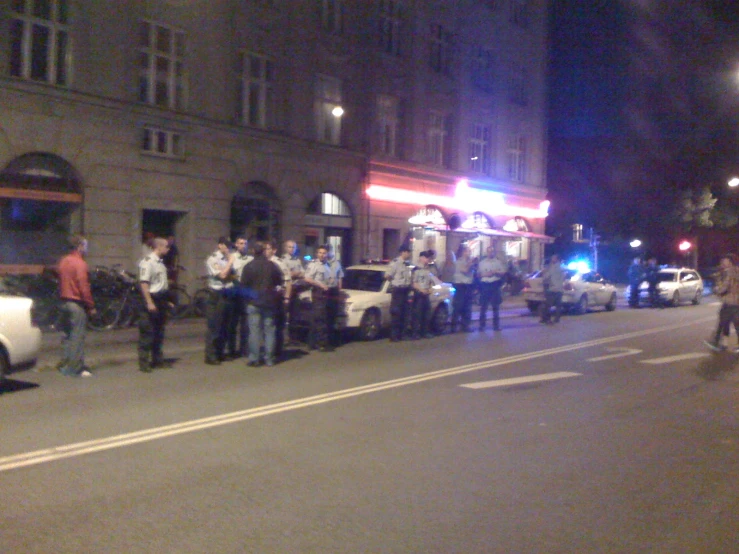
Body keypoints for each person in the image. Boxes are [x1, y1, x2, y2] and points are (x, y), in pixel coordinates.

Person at [57, 235, 96, 378]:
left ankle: (66, 365)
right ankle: (76, 368)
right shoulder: (80, 263)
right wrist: (90, 305)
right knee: (77, 337)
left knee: (67, 336)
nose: (86, 248)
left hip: (63, 302)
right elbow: (83, 287)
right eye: (85, 245)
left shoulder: (63, 261)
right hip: (76, 304)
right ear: (80, 246)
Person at [240, 241, 284, 367]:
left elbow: (243, 286)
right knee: (269, 331)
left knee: (254, 331)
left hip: (253, 302)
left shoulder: (248, 266)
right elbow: (279, 281)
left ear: (253, 251)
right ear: (264, 251)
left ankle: (254, 358)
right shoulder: (272, 266)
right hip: (269, 302)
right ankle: (269, 359)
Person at [138, 237, 171, 372]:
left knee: (159, 331)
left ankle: (157, 359)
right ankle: (144, 363)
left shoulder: (160, 262)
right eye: (166, 246)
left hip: (161, 299)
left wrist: (166, 301)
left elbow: (160, 283)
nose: (168, 249)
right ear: (159, 247)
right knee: (147, 332)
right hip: (151, 298)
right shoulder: (148, 262)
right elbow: (144, 283)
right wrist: (149, 302)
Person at [204, 237, 236, 365]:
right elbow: (222, 275)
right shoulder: (213, 258)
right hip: (217, 295)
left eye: (229, 245)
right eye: (226, 245)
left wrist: (229, 268)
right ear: (220, 245)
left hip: (227, 293)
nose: (228, 248)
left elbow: (233, 275)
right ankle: (210, 355)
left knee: (225, 326)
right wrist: (230, 263)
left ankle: (220, 352)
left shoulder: (226, 258)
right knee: (214, 326)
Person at [704, 254, 739, 352]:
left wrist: (716, 289)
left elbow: (725, 286)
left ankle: (716, 342)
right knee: (731, 323)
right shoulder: (736, 270)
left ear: (730, 262)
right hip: (735, 302)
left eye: (725, 261)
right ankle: (723, 344)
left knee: (723, 322)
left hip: (730, 302)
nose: (723, 263)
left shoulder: (730, 272)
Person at [304, 245, 334, 351]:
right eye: (320, 253)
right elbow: (307, 278)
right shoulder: (313, 264)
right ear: (317, 254)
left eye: (324, 253)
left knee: (317, 319)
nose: (322, 255)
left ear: (327, 254)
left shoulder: (327, 265)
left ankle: (312, 343)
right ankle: (321, 343)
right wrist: (320, 285)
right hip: (318, 292)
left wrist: (330, 283)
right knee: (320, 319)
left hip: (325, 293)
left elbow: (330, 279)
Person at [228, 235, 253, 359]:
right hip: (235, 290)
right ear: (236, 245)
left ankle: (244, 349)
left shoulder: (250, 259)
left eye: (245, 243)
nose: (243, 245)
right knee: (232, 322)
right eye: (241, 243)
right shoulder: (231, 257)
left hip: (246, 292)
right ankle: (231, 350)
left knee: (246, 323)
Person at [266, 240, 291, 359]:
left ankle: (277, 350)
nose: (265, 251)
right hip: (265, 298)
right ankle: (268, 350)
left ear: (274, 250)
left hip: (277, 298)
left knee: (278, 325)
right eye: (264, 249)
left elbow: (288, 281)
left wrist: (286, 297)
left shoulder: (279, 263)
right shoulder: (261, 262)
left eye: (268, 248)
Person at [385, 245, 413, 342]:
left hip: (406, 290)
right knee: (396, 313)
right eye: (408, 252)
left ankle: (402, 334)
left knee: (404, 313)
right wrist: (395, 283)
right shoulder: (395, 263)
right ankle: (394, 335)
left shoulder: (407, 264)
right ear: (403, 252)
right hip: (398, 290)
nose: (409, 254)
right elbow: (387, 276)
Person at [477, 245, 507, 331]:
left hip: (494, 285)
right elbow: (478, 274)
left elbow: (503, 272)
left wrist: (495, 272)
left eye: (492, 251)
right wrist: (485, 275)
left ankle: (496, 326)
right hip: (485, 285)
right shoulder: (482, 263)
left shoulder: (498, 262)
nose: (490, 253)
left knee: (495, 307)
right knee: (483, 307)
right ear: (487, 252)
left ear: (494, 252)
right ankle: (482, 326)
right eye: (489, 251)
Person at [411, 251, 438, 339]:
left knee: (426, 314)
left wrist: (430, 289)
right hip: (418, 294)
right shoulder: (416, 269)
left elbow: (432, 281)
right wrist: (421, 290)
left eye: (428, 258)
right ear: (421, 258)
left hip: (426, 294)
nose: (427, 260)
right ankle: (415, 333)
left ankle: (424, 332)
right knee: (417, 314)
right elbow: (414, 283)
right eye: (426, 258)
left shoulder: (428, 269)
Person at [282, 240, 305, 343]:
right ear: (286, 248)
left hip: (296, 289)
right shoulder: (283, 259)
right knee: (284, 315)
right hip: (287, 289)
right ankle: (284, 337)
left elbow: (303, 273)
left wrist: (295, 273)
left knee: (295, 314)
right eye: (290, 247)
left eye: (293, 247)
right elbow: (285, 274)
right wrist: (296, 273)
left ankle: (293, 337)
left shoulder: (297, 260)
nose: (292, 249)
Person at [450, 244, 475, 332]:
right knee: (458, 306)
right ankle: (453, 327)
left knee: (467, 307)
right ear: (464, 252)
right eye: (468, 251)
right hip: (460, 286)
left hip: (468, 285)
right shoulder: (459, 261)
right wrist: (470, 263)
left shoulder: (470, 262)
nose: (470, 253)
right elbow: (465, 270)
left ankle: (465, 326)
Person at [326, 245, 345, 346]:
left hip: (333, 291)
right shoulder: (323, 263)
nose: (327, 253)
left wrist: (340, 291)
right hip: (324, 290)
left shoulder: (337, 263)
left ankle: (333, 339)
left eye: (329, 251)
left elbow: (340, 278)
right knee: (325, 316)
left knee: (333, 315)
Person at [540, 254, 565, 324]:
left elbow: (546, 276)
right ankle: (557, 319)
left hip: (552, 289)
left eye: (553, 258)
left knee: (548, 305)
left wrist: (543, 277)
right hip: (559, 289)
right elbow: (564, 277)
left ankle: (547, 319)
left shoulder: (553, 267)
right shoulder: (562, 267)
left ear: (556, 259)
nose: (551, 259)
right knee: (558, 305)